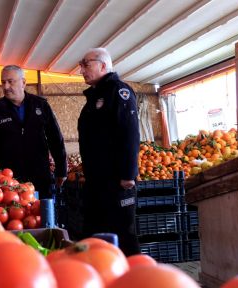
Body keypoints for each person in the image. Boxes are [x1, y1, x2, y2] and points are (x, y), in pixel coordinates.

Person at [77, 47, 141, 256]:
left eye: (86, 64)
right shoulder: (95, 96)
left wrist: (128, 174)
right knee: (96, 235)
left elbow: (130, 132)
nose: (82, 70)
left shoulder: (119, 92)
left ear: (103, 65)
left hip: (116, 182)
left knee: (123, 237)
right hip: (97, 182)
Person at [0, 65, 67, 200]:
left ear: (23, 83)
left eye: (10, 81)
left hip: (40, 176)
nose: (6, 86)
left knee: (44, 216)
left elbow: (55, 138)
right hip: (9, 179)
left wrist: (62, 170)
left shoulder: (41, 105)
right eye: (3, 82)